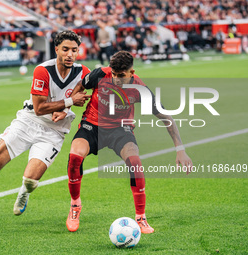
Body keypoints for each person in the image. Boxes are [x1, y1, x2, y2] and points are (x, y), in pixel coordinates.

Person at [0, 30, 91, 230]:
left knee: (30, 180)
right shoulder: (42, 70)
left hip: (54, 132)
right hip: (28, 121)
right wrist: (69, 102)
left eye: (74, 50)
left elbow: (84, 88)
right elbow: (39, 108)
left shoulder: (83, 72)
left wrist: (66, 109)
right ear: (56, 49)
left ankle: (24, 191)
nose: (70, 54)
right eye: (65, 49)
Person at [64, 51, 193, 233]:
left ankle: (140, 217)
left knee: (135, 163)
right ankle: (75, 205)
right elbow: (81, 84)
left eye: (121, 76)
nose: (116, 79)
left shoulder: (140, 88)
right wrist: (66, 106)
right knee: (75, 156)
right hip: (92, 125)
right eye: (114, 75)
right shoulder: (100, 74)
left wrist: (180, 149)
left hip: (120, 130)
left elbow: (166, 117)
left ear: (132, 73)